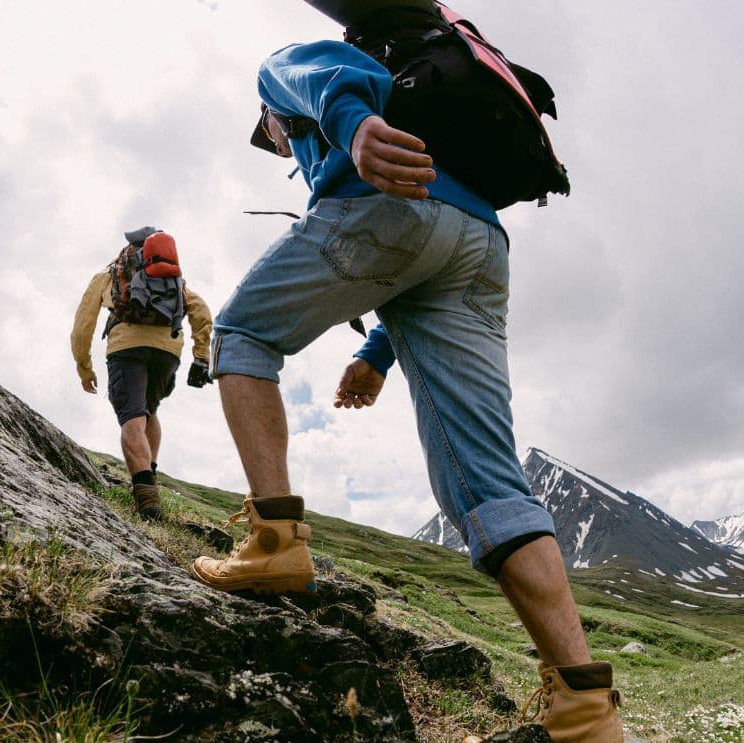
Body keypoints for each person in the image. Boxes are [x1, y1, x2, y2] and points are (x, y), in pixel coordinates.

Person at [188, 5, 623, 741]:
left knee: (241, 336)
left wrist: (355, 129)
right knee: (490, 485)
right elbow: (425, 259)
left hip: (387, 207)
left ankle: (274, 544)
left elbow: (321, 75)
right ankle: (585, 707)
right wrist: (375, 354)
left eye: (269, 136)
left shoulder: (285, 77)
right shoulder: (431, 94)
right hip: (480, 243)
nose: (275, 143)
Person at [71, 227, 213, 520]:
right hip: (168, 352)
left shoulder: (110, 275)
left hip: (127, 348)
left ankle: (148, 503)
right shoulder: (173, 280)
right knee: (150, 410)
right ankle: (150, 475)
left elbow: (83, 324)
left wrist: (84, 367)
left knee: (132, 418)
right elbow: (201, 311)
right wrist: (201, 355)